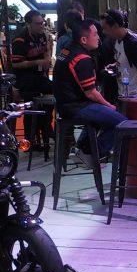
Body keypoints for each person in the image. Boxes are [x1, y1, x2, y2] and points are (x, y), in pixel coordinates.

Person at [53, 20, 127, 164]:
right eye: (95, 34)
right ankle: (91, 152)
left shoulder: (67, 50)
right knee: (122, 122)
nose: (99, 37)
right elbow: (90, 93)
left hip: (65, 104)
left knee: (105, 115)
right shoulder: (82, 58)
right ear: (83, 39)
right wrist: (108, 105)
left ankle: (82, 147)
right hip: (75, 106)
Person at [11, 10, 54, 140]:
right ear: (28, 24)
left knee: (56, 91)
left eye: (42, 23)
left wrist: (48, 52)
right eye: (38, 23)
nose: (41, 26)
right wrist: (37, 62)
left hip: (40, 77)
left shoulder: (42, 36)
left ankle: (46, 128)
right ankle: (31, 139)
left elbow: (46, 55)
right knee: (31, 105)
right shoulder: (20, 39)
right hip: (25, 79)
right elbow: (15, 64)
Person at [100, 9, 137, 95]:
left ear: (115, 26)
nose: (103, 32)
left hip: (136, 94)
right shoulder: (116, 41)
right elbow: (126, 61)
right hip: (123, 93)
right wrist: (115, 65)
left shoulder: (132, 43)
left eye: (105, 28)